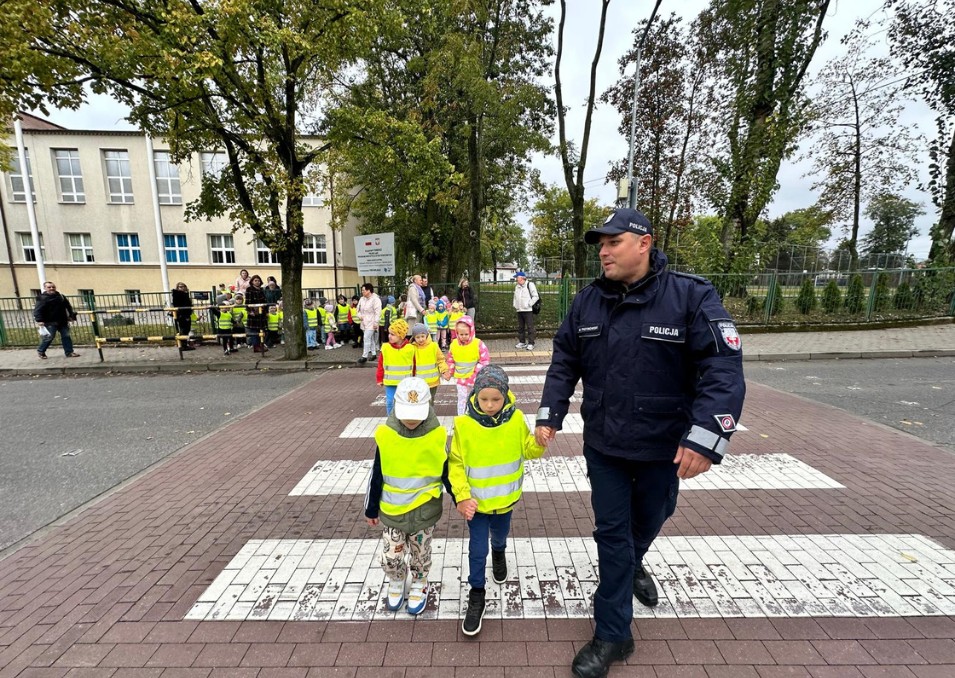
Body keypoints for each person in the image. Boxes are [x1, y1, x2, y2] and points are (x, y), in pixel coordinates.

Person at [534, 207, 746, 678]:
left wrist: (708, 436)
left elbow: (722, 367)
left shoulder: (691, 296)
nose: (604, 252)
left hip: (663, 446)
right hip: (605, 443)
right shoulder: (587, 301)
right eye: (601, 245)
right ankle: (613, 634)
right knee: (612, 534)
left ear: (644, 243)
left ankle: (634, 563)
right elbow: (564, 359)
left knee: (650, 518)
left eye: (613, 242)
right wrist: (551, 413)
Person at [449, 365, 545, 636]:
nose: (489, 405)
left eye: (496, 399)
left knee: (499, 536)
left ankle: (500, 552)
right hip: (476, 505)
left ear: (505, 396)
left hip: (505, 501)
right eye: (483, 399)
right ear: (475, 396)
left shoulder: (515, 421)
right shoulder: (464, 425)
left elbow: (527, 450)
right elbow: (455, 464)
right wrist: (462, 496)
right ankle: (477, 592)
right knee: (477, 550)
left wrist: (539, 441)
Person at [364, 377, 450, 615]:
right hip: (393, 512)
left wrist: (460, 498)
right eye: (406, 414)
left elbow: (447, 472)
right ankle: (396, 579)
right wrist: (371, 509)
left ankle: (420, 583)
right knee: (391, 554)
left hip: (424, 512)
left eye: (417, 414)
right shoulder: (387, 436)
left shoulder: (436, 436)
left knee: (421, 555)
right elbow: (377, 474)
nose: (411, 420)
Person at [444, 314, 490, 415]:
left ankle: (473, 415)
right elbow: (450, 360)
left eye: (466, 334)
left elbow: (485, 360)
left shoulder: (478, 343)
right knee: (461, 398)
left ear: (471, 332)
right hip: (460, 378)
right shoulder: (454, 344)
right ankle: (461, 416)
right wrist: (449, 372)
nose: (463, 337)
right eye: (461, 334)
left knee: (474, 398)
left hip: (475, 378)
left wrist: (476, 373)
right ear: (457, 333)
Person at [376, 318, 414, 414]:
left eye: (393, 334)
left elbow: (414, 364)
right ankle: (391, 420)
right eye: (389, 333)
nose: (389, 336)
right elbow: (381, 364)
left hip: (406, 383)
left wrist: (414, 379)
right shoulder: (386, 348)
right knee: (390, 402)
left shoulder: (410, 348)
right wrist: (379, 378)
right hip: (390, 382)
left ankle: (405, 420)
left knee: (405, 402)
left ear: (401, 336)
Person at [33, 281, 80, 359]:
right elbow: (38, 310)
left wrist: (71, 316)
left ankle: (69, 352)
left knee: (66, 336)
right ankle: (41, 351)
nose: (52, 288)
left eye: (53, 287)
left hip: (62, 320)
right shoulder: (42, 298)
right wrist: (39, 320)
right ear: (45, 288)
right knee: (49, 337)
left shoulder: (61, 296)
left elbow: (68, 307)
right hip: (50, 321)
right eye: (49, 287)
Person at [410, 322, 448, 402]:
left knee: (430, 401)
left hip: (432, 382)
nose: (421, 339)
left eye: (423, 336)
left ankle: (429, 414)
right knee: (418, 401)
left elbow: (440, 360)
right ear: (414, 338)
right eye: (418, 337)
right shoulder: (412, 348)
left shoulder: (434, 346)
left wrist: (444, 370)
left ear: (427, 335)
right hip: (418, 382)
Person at [512, 271, 539, 351]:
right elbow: (515, 296)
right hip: (519, 309)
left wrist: (529, 304)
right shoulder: (517, 286)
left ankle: (531, 343)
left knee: (530, 327)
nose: (516, 279)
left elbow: (535, 296)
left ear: (522, 278)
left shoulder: (530, 285)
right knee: (521, 327)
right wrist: (515, 305)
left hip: (528, 310)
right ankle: (522, 342)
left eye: (517, 277)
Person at [357, 283, 382, 365]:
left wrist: (376, 322)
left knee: (366, 337)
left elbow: (378, 312)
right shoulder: (362, 299)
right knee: (370, 338)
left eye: (363, 290)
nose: (362, 292)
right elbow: (358, 310)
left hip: (372, 321)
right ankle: (374, 354)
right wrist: (359, 316)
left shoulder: (376, 300)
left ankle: (364, 356)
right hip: (364, 322)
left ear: (369, 291)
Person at [244, 274, 268, 353]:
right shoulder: (249, 289)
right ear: (252, 282)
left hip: (262, 312)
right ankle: (256, 346)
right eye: (255, 281)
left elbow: (265, 301)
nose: (257, 282)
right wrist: (250, 311)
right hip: (253, 313)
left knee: (262, 329)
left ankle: (262, 345)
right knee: (254, 331)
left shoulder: (261, 290)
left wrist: (266, 311)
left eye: (258, 281)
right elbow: (247, 302)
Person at [170, 282, 195, 351]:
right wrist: (184, 314)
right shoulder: (179, 295)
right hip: (183, 315)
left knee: (186, 330)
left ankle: (183, 344)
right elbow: (181, 305)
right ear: (177, 288)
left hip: (185, 314)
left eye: (183, 286)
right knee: (184, 330)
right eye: (180, 287)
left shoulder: (184, 294)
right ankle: (183, 345)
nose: (182, 288)